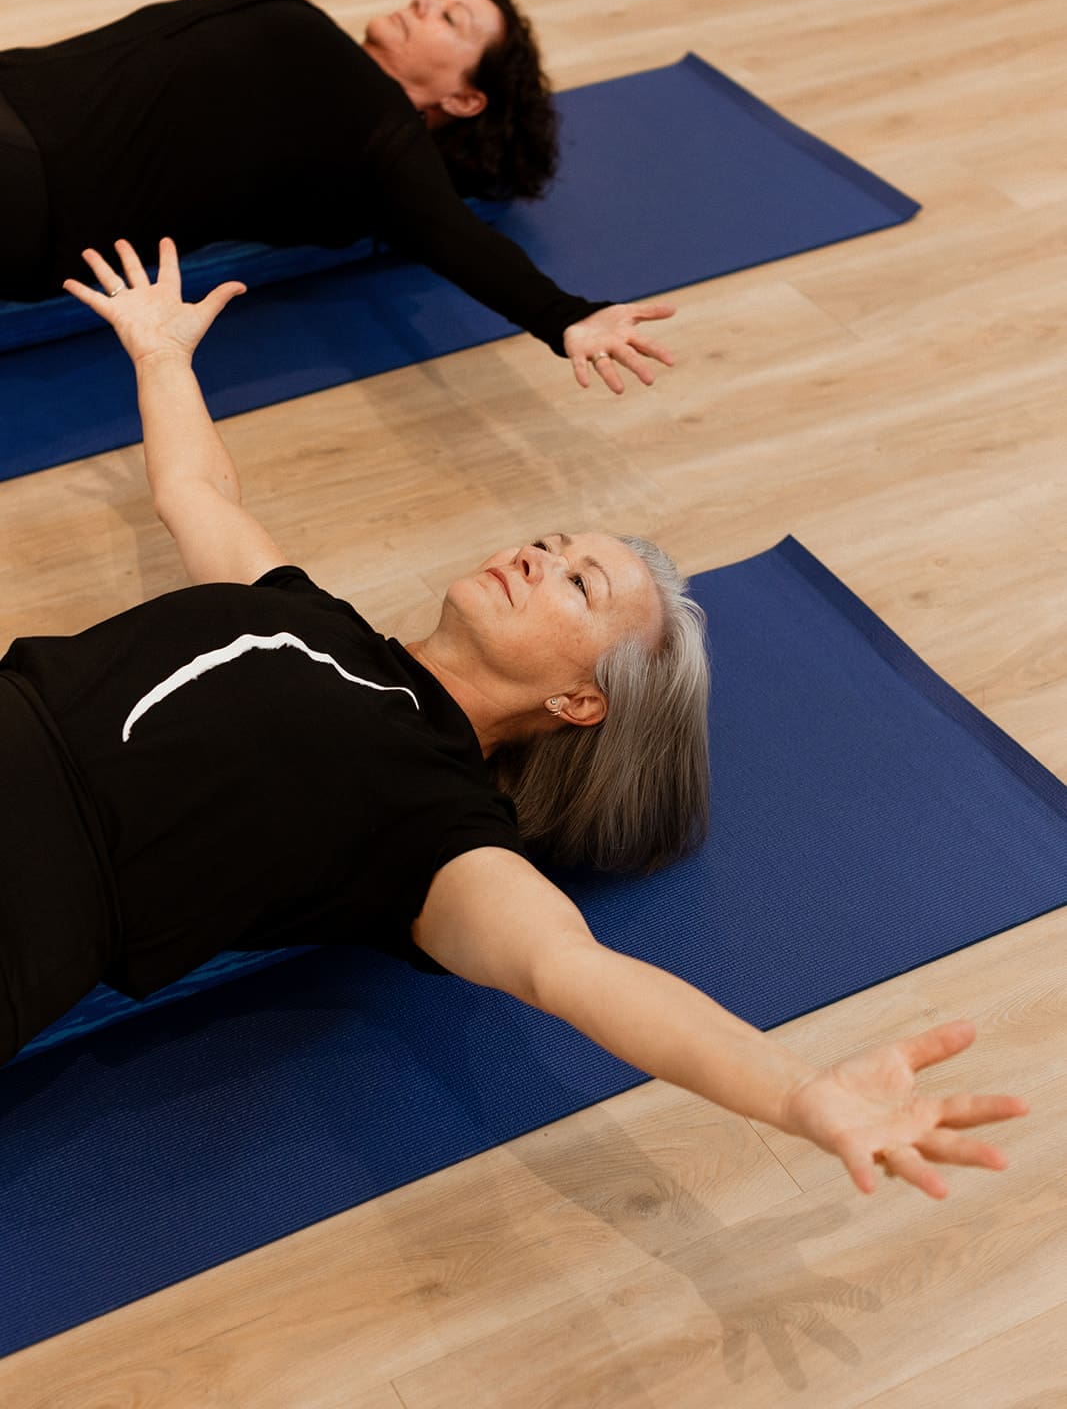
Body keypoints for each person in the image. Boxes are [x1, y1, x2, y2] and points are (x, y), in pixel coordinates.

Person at [0, 242, 1029, 1198]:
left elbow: (575, 974)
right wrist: (162, 354)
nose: (539, 557)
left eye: (578, 587)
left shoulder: (442, 835)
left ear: (582, 702)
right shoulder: (306, 613)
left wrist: (797, 1092)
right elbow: (199, 489)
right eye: (551, 542)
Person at [0, 0, 673, 396]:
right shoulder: (307, 42)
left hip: (30, 188)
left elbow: (457, 239)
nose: (424, 1)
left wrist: (566, 316)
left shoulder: (382, 144)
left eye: (451, 19)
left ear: (464, 98)